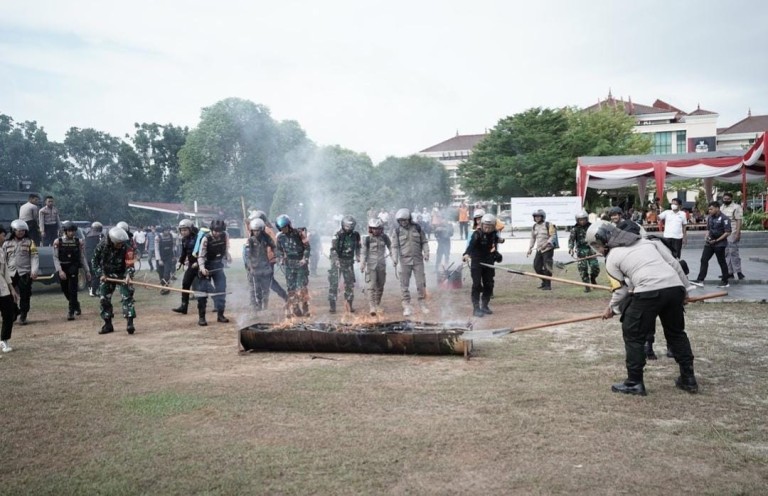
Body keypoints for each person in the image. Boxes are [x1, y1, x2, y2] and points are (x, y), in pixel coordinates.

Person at [588, 221, 698, 396]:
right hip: (674, 289)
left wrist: (611, 308)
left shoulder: (612, 258)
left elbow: (621, 290)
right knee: (676, 333)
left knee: (633, 334)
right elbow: (675, 265)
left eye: (597, 246)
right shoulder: (650, 242)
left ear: (602, 242)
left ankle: (634, 382)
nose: (599, 250)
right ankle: (689, 379)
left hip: (649, 293)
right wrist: (685, 291)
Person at [91, 227, 136, 335]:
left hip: (122, 275)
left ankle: (130, 323)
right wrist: (100, 274)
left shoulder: (127, 247)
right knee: (104, 299)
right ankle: (108, 324)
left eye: (122, 243)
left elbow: (130, 263)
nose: (121, 245)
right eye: (118, 243)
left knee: (127, 297)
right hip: (107, 275)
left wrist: (129, 275)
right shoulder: (101, 246)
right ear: (112, 240)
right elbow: (94, 262)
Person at [391, 208, 429, 317]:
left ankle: (422, 303)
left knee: (421, 283)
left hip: (418, 260)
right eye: (400, 221)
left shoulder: (417, 228)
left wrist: (426, 253)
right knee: (404, 285)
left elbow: (424, 242)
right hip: (404, 261)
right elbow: (394, 246)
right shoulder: (397, 231)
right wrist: (395, 259)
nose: (403, 222)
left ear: (409, 219)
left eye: (405, 220)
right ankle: (406, 305)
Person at [463, 213, 501, 317]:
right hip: (477, 262)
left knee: (489, 284)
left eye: (490, 227)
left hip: (488, 261)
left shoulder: (493, 234)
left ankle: (485, 305)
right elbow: (471, 245)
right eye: (485, 226)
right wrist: (466, 254)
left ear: (493, 227)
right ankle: (476, 308)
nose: (487, 229)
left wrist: (497, 252)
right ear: (482, 225)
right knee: (476, 285)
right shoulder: (477, 234)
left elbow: (495, 243)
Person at [53, 221, 91, 321]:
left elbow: (82, 257)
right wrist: (60, 271)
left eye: (73, 231)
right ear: (65, 231)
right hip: (62, 267)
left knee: (73, 290)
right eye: (69, 231)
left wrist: (87, 271)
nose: (72, 233)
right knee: (65, 290)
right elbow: (55, 258)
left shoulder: (78, 242)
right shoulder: (58, 242)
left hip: (73, 267)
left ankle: (71, 312)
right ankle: (76, 305)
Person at [3, 220, 39, 325]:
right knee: (8, 295)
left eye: (23, 231)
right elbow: (3, 259)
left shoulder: (30, 242)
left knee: (25, 295)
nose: (21, 233)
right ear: (13, 231)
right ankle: (14, 311)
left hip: (25, 272)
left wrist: (34, 271)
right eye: (19, 231)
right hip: (10, 273)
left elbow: (34, 257)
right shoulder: (6, 243)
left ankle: (23, 315)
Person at [275, 214, 311, 318]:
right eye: (282, 228)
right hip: (289, 265)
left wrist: (305, 259)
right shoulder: (280, 237)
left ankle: (305, 307)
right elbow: (279, 250)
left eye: (285, 227)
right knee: (291, 288)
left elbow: (307, 247)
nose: (284, 229)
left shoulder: (299, 233)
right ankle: (295, 308)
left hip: (300, 263)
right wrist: (281, 258)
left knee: (302, 287)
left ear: (289, 225)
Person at [197, 219, 231, 326]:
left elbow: (225, 249)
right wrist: (202, 268)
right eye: (215, 231)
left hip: (218, 268)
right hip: (206, 268)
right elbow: (201, 256)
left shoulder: (224, 236)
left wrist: (227, 256)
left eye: (220, 231)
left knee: (221, 290)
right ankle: (202, 317)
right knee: (202, 293)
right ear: (211, 229)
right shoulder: (206, 239)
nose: (217, 233)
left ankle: (220, 315)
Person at [250, 210, 288, 303]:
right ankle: (256, 302)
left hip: (267, 261)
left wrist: (276, 256)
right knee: (258, 282)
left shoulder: (266, 231)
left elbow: (273, 245)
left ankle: (284, 296)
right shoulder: (256, 230)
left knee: (269, 283)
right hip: (258, 262)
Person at [691, 201, 731, 288]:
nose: (709, 211)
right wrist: (707, 236)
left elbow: (727, 232)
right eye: (709, 209)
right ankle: (700, 280)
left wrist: (716, 240)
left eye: (711, 209)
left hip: (720, 243)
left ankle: (725, 281)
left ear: (717, 208)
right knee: (704, 260)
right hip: (710, 243)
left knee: (721, 262)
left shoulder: (724, 218)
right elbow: (709, 229)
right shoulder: (710, 218)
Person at [328, 215, 361, 313]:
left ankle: (349, 306)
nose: (348, 228)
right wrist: (336, 260)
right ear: (343, 225)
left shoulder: (356, 235)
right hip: (337, 262)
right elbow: (333, 250)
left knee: (350, 285)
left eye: (350, 226)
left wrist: (358, 255)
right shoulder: (337, 235)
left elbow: (358, 246)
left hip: (349, 263)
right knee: (334, 284)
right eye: (347, 226)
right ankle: (332, 306)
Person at [244, 218, 277, 311]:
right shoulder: (250, 240)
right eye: (254, 231)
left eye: (258, 230)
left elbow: (274, 246)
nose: (256, 233)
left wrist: (278, 255)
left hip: (265, 266)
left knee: (266, 289)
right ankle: (258, 307)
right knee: (257, 289)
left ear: (261, 230)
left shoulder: (266, 237)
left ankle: (265, 306)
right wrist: (250, 267)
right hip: (255, 267)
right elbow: (248, 255)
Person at [361, 218, 391, 316]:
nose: (376, 230)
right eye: (373, 228)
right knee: (371, 286)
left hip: (381, 265)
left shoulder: (385, 237)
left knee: (381, 285)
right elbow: (363, 252)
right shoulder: (367, 239)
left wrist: (394, 257)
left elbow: (391, 247)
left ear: (381, 228)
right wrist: (362, 263)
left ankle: (377, 304)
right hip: (371, 265)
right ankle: (372, 306)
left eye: (377, 228)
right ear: (370, 229)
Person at [567, 210, 600, 292]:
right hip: (581, 251)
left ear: (586, 219)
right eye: (580, 220)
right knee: (583, 269)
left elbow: (597, 237)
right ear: (577, 220)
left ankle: (593, 278)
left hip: (591, 250)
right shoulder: (575, 229)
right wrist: (571, 248)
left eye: (584, 219)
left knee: (595, 267)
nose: (582, 221)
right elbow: (571, 240)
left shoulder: (592, 227)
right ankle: (587, 286)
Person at [171, 219, 199, 315]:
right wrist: (180, 262)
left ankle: (218, 304)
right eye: (181, 230)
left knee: (206, 286)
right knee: (185, 283)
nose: (183, 232)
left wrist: (198, 263)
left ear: (190, 229)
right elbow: (184, 253)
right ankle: (184, 306)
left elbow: (203, 252)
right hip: (191, 265)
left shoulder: (198, 238)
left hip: (201, 265)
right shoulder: (184, 240)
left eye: (185, 230)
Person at [0, 225, 20, 353]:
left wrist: (12, 289)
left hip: (3, 288)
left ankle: (4, 340)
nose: (4, 237)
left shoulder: (1, 250)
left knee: (10, 313)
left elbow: (5, 272)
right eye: (2, 235)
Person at [526, 209, 557, 290]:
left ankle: (548, 285)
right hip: (539, 249)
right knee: (537, 267)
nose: (537, 218)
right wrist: (530, 248)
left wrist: (546, 244)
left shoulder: (548, 224)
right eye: (535, 216)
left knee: (547, 267)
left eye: (538, 216)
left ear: (542, 217)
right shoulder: (534, 226)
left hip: (548, 249)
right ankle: (544, 281)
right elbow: (533, 238)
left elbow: (553, 236)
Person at [720, 192, 744, 280]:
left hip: (733, 232)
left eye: (728, 199)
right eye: (724, 199)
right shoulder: (721, 207)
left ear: (731, 199)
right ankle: (729, 272)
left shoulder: (736, 207)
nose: (726, 200)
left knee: (734, 252)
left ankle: (739, 271)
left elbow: (739, 221)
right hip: (724, 233)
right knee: (726, 253)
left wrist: (738, 233)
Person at [85, 222, 104, 297]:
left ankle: (90, 289)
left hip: (87, 258)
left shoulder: (87, 235)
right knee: (97, 274)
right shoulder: (100, 235)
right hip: (96, 257)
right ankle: (93, 290)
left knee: (90, 274)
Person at [154, 225, 175, 295]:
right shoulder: (158, 237)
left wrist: (173, 256)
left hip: (168, 257)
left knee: (167, 274)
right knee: (161, 274)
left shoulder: (171, 236)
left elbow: (172, 247)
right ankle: (163, 288)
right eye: (167, 230)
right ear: (163, 231)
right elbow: (156, 249)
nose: (168, 232)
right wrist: (159, 260)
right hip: (160, 257)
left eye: (169, 230)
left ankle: (167, 287)